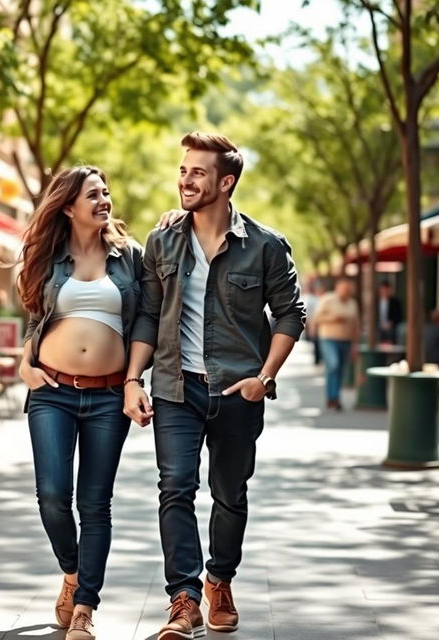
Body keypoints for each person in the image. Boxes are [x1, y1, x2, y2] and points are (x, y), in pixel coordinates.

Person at [123, 132, 306, 639]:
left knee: (230, 494)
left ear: (225, 183)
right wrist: (132, 379)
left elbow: (292, 313)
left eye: (197, 172)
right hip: (175, 388)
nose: (185, 179)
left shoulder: (266, 246)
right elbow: (149, 313)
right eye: (183, 170)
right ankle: (183, 600)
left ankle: (219, 578)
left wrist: (264, 377)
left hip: (237, 391)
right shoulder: (163, 240)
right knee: (175, 488)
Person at [17, 166, 142, 640]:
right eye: (93, 194)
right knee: (52, 496)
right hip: (52, 392)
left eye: (107, 191)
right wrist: (25, 365)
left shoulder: (130, 258)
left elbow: (146, 318)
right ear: (69, 206)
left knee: (95, 504)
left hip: (109, 395)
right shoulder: (47, 258)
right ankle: (72, 570)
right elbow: (34, 320)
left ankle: (86, 605)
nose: (104, 199)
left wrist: (135, 379)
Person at [313, 278, 360, 410]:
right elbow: (316, 318)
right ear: (338, 288)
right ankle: (332, 396)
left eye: (349, 290)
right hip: (329, 338)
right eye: (344, 289)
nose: (347, 292)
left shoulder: (352, 303)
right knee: (333, 365)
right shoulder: (328, 299)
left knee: (340, 369)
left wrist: (355, 344)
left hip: (346, 340)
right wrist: (332, 319)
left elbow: (356, 324)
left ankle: (335, 397)